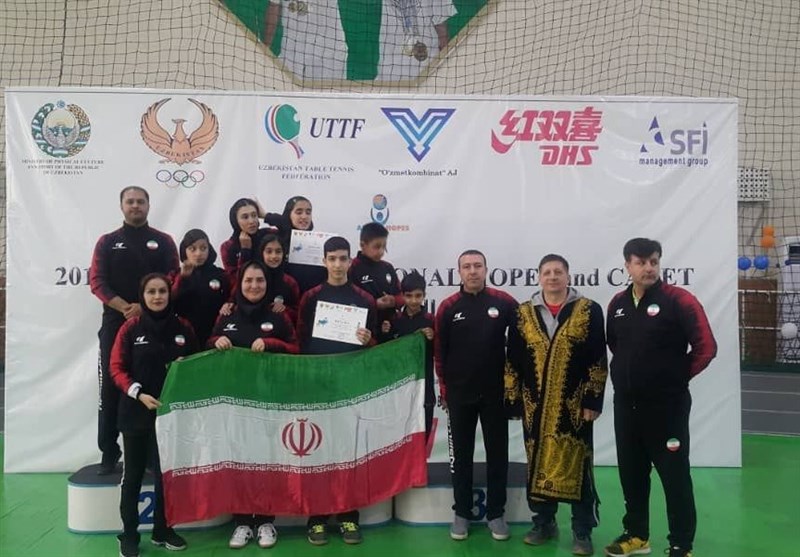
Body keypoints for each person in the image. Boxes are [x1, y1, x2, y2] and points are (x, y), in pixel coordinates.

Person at [604, 238, 717, 557]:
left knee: (674, 476)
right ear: (627, 266)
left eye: (653, 261)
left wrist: (673, 378)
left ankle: (681, 543)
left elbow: (706, 347)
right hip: (627, 406)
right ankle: (637, 535)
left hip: (667, 408)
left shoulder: (680, 300)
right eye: (640, 262)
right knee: (632, 473)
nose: (648, 268)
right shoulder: (617, 304)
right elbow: (615, 345)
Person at [505, 254, 607, 555]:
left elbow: (597, 358)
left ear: (567, 276)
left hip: (573, 406)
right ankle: (544, 522)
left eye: (558, 272)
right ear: (539, 277)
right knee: (536, 461)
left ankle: (582, 529)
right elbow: (513, 358)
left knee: (579, 464)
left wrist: (593, 398)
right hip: (534, 405)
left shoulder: (588, 310)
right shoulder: (522, 313)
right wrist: (513, 399)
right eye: (547, 272)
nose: (552, 277)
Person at [208, 260, 299, 549]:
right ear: (240, 283)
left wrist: (271, 344)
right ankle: (243, 522)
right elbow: (209, 343)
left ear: (267, 284)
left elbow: (295, 349)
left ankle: (267, 521)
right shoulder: (227, 314)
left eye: (260, 280)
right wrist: (216, 341)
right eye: (248, 280)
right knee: (240, 460)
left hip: (270, 400)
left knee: (268, 460)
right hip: (235, 401)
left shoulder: (278, 316)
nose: (254, 285)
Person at [90, 186, 179, 475]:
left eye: (141, 201)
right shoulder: (107, 242)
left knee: (152, 383)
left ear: (149, 205)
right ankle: (109, 452)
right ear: (122, 206)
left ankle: (153, 455)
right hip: (116, 322)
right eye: (130, 201)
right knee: (111, 386)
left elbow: (173, 276)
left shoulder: (164, 241)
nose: (135, 206)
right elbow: (97, 281)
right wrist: (126, 308)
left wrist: (144, 306)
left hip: (156, 323)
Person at [110, 273, 198, 557]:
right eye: (151, 292)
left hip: (170, 416)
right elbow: (116, 368)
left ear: (169, 295)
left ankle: (163, 529)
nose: (158, 296)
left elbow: (196, 365)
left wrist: (186, 367)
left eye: (162, 291)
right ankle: (129, 535)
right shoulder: (130, 328)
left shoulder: (184, 327)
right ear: (143, 296)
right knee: (133, 476)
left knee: (166, 477)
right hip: (136, 414)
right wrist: (138, 393)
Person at [296, 236, 377, 545]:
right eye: (332, 259)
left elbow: (374, 346)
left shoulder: (364, 299)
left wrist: (368, 339)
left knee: (347, 452)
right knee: (317, 451)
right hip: (317, 387)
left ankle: (347, 516)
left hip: (350, 386)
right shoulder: (310, 298)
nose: (338, 264)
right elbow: (301, 342)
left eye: (343, 258)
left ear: (350, 261)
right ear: (324, 261)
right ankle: (317, 517)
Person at [434, 249, 518, 542]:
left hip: (496, 395)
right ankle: (462, 513)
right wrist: (444, 389)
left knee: (498, 455)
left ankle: (496, 513)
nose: (472, 271)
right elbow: (440, 353)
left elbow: (522, 342)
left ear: (486, 269)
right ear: (459, 272)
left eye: (477, 266)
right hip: (459, 394)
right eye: (467, 267)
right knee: (462, 457)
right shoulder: (448, 307)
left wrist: (515, 385)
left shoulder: (504, 302)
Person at [381, 271, 435, 440]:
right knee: (398, 437)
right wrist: (384, 333)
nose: (413, 300)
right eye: (409, 296)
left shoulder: (431, 321)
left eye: (418, 296)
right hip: (399, 386)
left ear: (424, 295)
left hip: (424, 387)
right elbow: (385, 352)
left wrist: (432, 338)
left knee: (423, 435)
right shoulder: (394, 320)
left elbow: (439, 352)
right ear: (403, 296)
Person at [172, 229, 231, 347]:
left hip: (216, 336)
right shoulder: (175, 275)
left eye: (203, 248)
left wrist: (229, 303)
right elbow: (169, 302)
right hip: (185, 337)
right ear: (184, 250)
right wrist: (182, 279)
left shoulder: (220, 274)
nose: (198, 253)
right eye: (192, 249)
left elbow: (233, 296)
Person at [349, 222, 403, 324]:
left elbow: (402, 296)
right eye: (377, 247)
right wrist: (374, 304)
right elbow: (347, 301)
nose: (381, 251)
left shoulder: (388, 267)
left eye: (384, 246)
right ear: (362, 245)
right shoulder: (352, 268)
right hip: (363, 327)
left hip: (390, 327)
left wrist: (393, 301)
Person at [219, 198, 280, 286]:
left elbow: (291, 232)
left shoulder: (268, 234)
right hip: (249, 291)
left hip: (274, 288)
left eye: (254, 215)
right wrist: (245, 251)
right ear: (235, 220)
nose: (251, 221)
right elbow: (234, 280)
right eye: (245, 217)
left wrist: (266, 216)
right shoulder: (228, 246)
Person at [279, 196, 327, 294]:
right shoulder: (277, 240)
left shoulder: (319, 242)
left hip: (312, 296)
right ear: (289, 214)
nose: (304, 216)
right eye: (299, 212)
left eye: (308, 212)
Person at [257, 233, 301, 324]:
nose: (274, 256)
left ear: (283, 254)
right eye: (269, 251)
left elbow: (298, 313)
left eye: (278, 251)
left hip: (280, 328)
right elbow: (236, 302)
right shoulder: (253, 278)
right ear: (262, 254)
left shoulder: (290, 282)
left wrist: (285, 309)